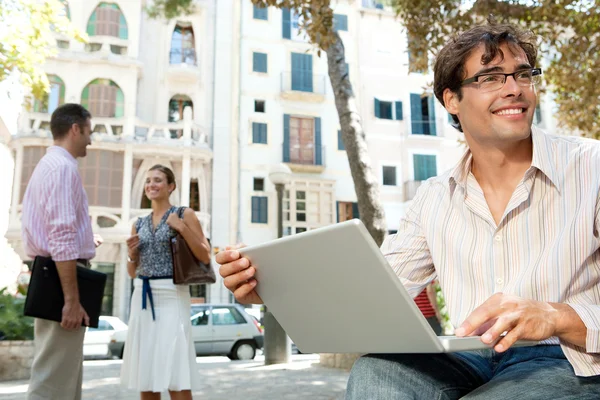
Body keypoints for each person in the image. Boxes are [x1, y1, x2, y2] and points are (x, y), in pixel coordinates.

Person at [216, 22, 600, 399]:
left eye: (522, 74)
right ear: (451, 100)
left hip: (566, 356)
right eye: (491, 78)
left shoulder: (591, 167)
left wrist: (554, 316)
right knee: (375, 373)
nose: (514, 89)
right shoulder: (433, 197)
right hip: (471, 354)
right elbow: (374, 291)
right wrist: (272, 291)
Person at [21, 103, 99, 400]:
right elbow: (61, 236)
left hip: (50, 271)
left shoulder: (48, 165)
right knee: (53, 382)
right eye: (89, 132)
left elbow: (54, 230)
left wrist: (87, 240)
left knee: (63, 377)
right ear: (75, 129)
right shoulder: (63, 168)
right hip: (58, 277)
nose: (91, 140)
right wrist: (71, 301)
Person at [121, 164, 210, 400]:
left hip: (172, 294)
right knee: (147, 372)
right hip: (142, 295)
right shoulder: (138, 223)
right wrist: (132, 254)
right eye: (148, 180)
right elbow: (132, 272)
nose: (151, 184)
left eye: (158, 180)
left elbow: (205, 254)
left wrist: (181, 227)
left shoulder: (184, 214)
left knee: (175, 369)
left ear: (170, 186)